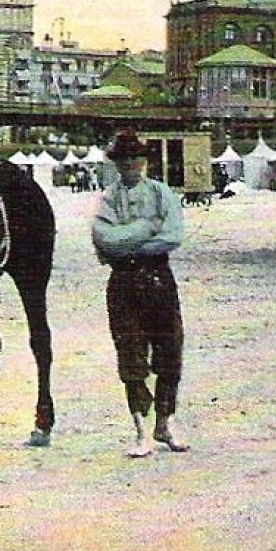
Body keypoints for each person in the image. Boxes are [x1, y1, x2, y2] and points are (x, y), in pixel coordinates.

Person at [90, 131, 190, 457]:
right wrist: (146, 228)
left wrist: (127, 241)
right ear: (116, 164)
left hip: (159, 277)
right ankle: (141, 431)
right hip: (123, 282)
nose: (131, 165)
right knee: (130, 354)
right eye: (124, 160)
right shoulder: (108, 199)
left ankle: (165, 422)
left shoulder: (161, 194)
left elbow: (172, 236)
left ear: (144, 161)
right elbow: (103, 237)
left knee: (169, 350)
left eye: (136, 158)